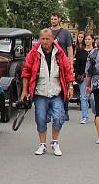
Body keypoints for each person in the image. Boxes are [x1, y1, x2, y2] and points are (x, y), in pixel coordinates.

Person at [20, 28, 75, 156]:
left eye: (47, 39)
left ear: (52, 39)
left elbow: (67, 71)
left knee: (59, 117)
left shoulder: (59, 53)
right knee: (40, 118)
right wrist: (24, 90)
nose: (44, 41)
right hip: (40, 93)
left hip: (56, 93)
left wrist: (70, 87)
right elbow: (26, 72)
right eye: (42, 39)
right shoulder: (34, 53)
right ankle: (43, 145)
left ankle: (55, 142)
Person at [74, 33, 96, 124]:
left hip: (94, 77)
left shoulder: (96, 51)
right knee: (83, 97)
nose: (87, 41)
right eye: (86, 39)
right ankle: (84, 117)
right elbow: (77, 65)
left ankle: (96, 114)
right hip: (83, 77)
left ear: (93, 40)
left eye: (89, 39)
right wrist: (77, 76)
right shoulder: (80, 52)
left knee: (93, 98)